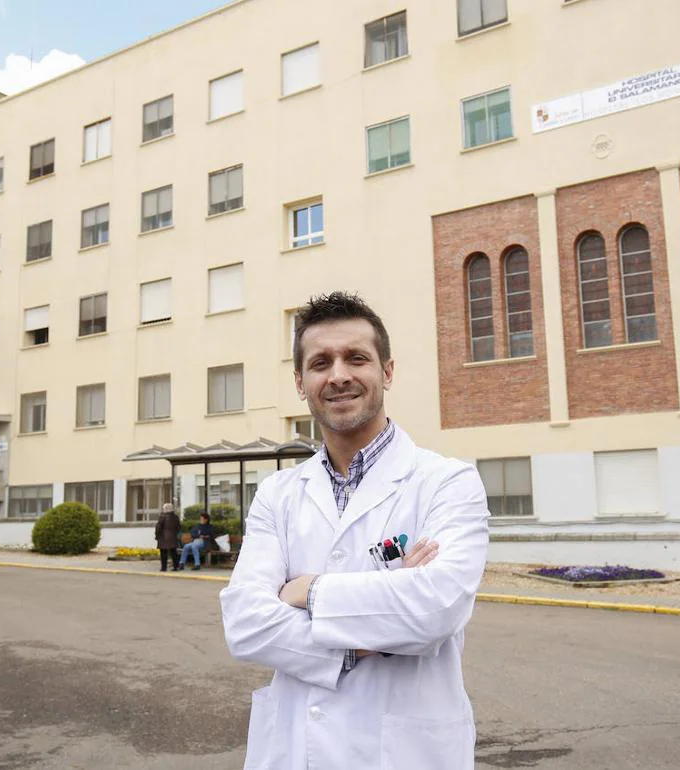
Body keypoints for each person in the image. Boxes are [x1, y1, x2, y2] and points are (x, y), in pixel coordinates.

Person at [220, 292, 490, 770]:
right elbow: (244, 623)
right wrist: (371, 628)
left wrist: (305, 591)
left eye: (357, 358)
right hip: (293, 749)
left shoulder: (447, 481)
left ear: (386, 371)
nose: (339, 375)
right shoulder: (278, 493)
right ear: (301, 382)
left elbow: (434, 609)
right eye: (320, 362)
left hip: (406, 754)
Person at [154, 502, 181, 572]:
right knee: (173, 552)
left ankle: (164, 567)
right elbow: (178, 527)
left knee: (163, 553)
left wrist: (157, 535)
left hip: (163, 537)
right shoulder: (175, 517)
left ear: (165, 509)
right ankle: (176, 566)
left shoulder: (162, 517)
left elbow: (158, 527)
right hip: (173, 536)